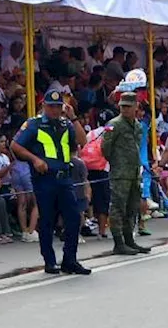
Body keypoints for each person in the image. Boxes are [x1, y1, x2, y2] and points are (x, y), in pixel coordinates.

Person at [11, 89, 90, 275]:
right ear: (44, 106)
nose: (55, 110)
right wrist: (35, 159)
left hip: (65, 178)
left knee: (73, 218)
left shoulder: (66, 124)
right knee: (47, 220)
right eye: (51, 106)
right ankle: (49, 261)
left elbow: (82, 140)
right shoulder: (33, 124)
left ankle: (70, 259)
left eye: (58, 106)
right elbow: (15, 146)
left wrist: (74, 117)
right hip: (45, 179)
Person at [102, 92, 149, 255]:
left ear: (136, 107)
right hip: (120, 173)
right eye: (122, 106)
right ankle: (118, 242)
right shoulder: (114, 124)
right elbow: (105, 148)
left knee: (132, 207)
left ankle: (129, 240)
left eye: (128, 106)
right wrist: (117, 162)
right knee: (118, 208)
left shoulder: (137, 125)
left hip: (134, 171)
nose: (125, 109)